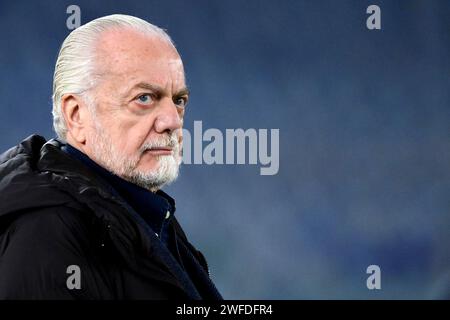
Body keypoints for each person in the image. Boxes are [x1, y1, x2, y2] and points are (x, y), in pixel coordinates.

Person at [0, 14, 222, 300]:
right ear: (77, 116)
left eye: (178, 100)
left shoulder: (143, 214)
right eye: (144, 98)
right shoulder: (47, 236)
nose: (172, 120)